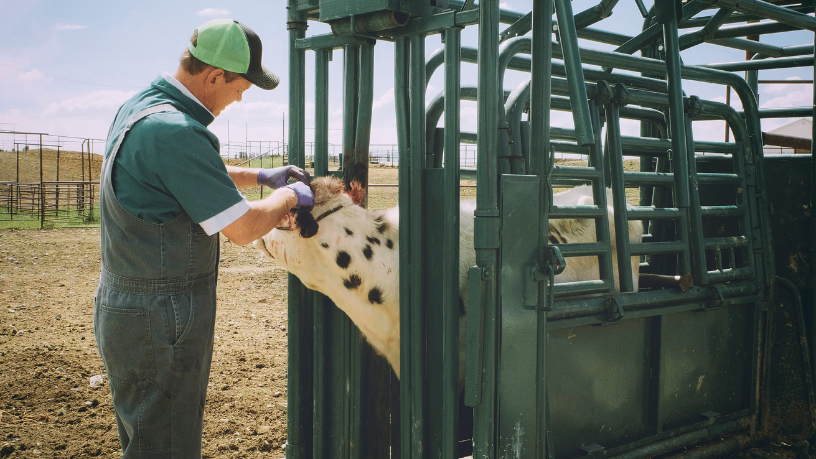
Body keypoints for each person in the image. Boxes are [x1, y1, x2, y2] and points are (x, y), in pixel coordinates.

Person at [93, 19, 311, 458]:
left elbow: (183, 173)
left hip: (126, 304)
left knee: (148, 438)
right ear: (215, 76)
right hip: (162, 316)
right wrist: (289, 195)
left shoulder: (143, 109)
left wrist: (259, 176)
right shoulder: (178, 132)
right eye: (240, 87)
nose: (239, 97)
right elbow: (243, 228)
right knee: (167, 445)